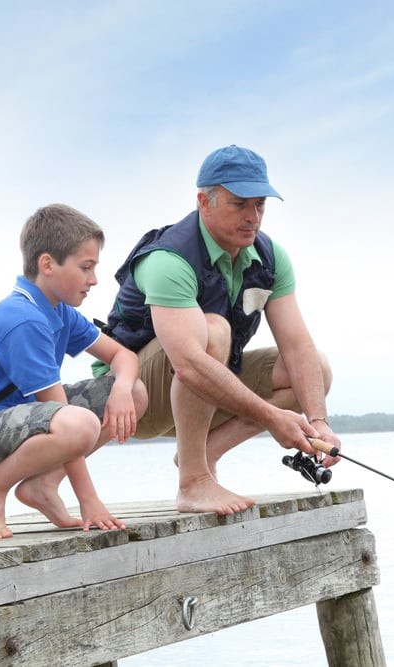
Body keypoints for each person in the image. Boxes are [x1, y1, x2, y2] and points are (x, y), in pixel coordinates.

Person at [98, 144, 340, 516]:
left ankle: (203, 456)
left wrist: (318, 423)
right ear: (204, 201)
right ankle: (193, 483)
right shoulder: (168, 259)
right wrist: (271, 418)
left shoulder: (271, 257)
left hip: (205, 387)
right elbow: (191, 364)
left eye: (260, 204)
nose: (253, 216)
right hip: (132, 397)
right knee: (214, 331)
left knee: (315, 370)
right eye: (239, 204)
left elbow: (297, 345)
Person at [0, 203, 147, 540]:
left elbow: (121, 355)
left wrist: (124, 388)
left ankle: (43, 484)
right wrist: (90, 500)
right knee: (78, 422)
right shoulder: (23, 319)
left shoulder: (58, 310)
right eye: (85, 268)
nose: (94, 279)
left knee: (135, 392)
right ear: (47, 264)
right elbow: (62, 413)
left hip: (23, 422)